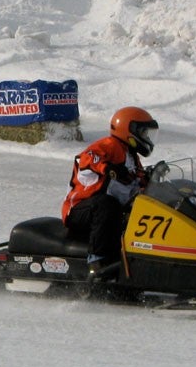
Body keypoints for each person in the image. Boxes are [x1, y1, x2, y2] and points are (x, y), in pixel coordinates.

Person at [61, 106, 158, 279]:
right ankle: (97, 261)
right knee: (107, 204)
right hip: (79, 209)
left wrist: (151, 178)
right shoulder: (110, 145)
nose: (146, 138)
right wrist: (108, 168)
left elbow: (135, 179)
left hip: (101, 212)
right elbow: (87, 158)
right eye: (143, 133)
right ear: (130, 131)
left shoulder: (131, 155)